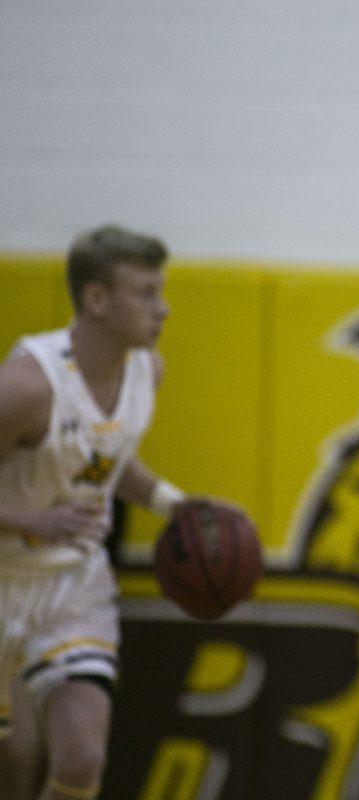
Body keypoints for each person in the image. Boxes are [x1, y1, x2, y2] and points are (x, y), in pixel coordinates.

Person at [0, 225, 194, 800]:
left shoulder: (147, 370)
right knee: (11, 756)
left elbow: (105, 463)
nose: (164, 308)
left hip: (70, 581)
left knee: (83, 756)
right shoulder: (28, 386)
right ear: (97, 298)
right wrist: (28, 522)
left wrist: (173, 504)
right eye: (147, 293)